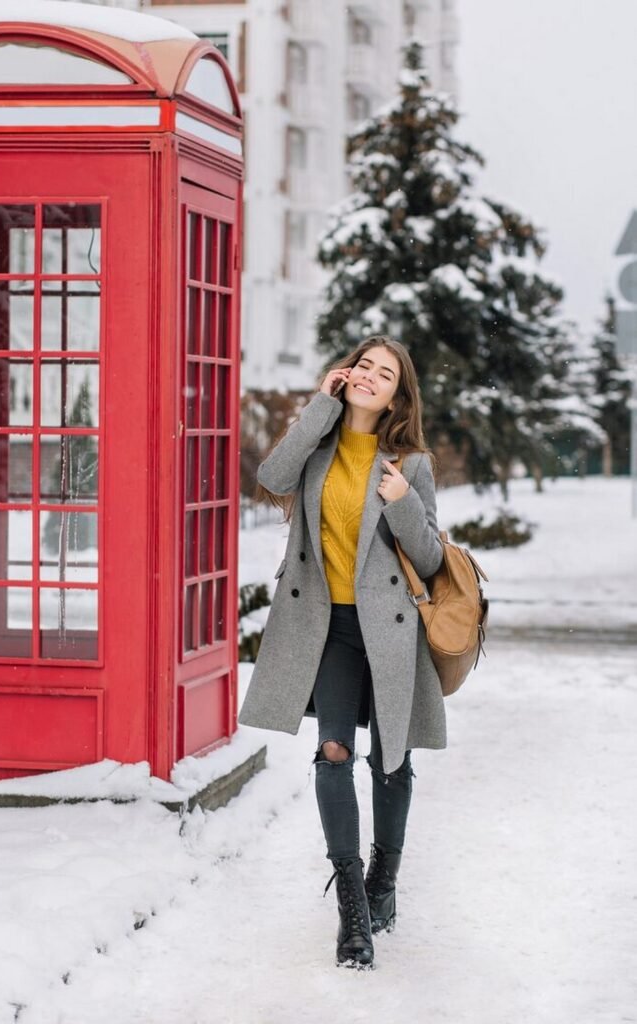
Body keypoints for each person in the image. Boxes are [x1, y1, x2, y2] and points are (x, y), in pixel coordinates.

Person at [238, 335, 445, 970]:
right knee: (333, 751)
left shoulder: (409, 463)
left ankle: (385, 877)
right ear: (346, 374)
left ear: (396, 394)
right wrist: (318, 409)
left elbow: (432, 558)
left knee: (390, 757)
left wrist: (402, 505)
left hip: (387, 627)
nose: (370, 378)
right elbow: (270, 478)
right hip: (324, 625)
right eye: (363, 366)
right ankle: (352, 905)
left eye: (385, 374)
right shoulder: (319, 441)